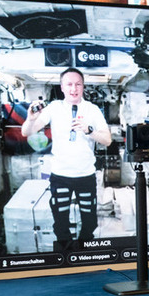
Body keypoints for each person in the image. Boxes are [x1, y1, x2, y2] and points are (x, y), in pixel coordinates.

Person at [21, 67, 112, 249]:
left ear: (83, 87)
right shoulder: (54, 108)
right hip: (60, 176)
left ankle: (85, 252)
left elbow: (107, 140)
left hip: (85, 175)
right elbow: (26, 132)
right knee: (60, 223)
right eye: (69, 84)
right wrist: (30, 119)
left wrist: (89, 130)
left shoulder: (92, 109)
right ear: (62, 87)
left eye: (78, 84)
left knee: (89, 222)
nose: (73, 88)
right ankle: (65, 257)